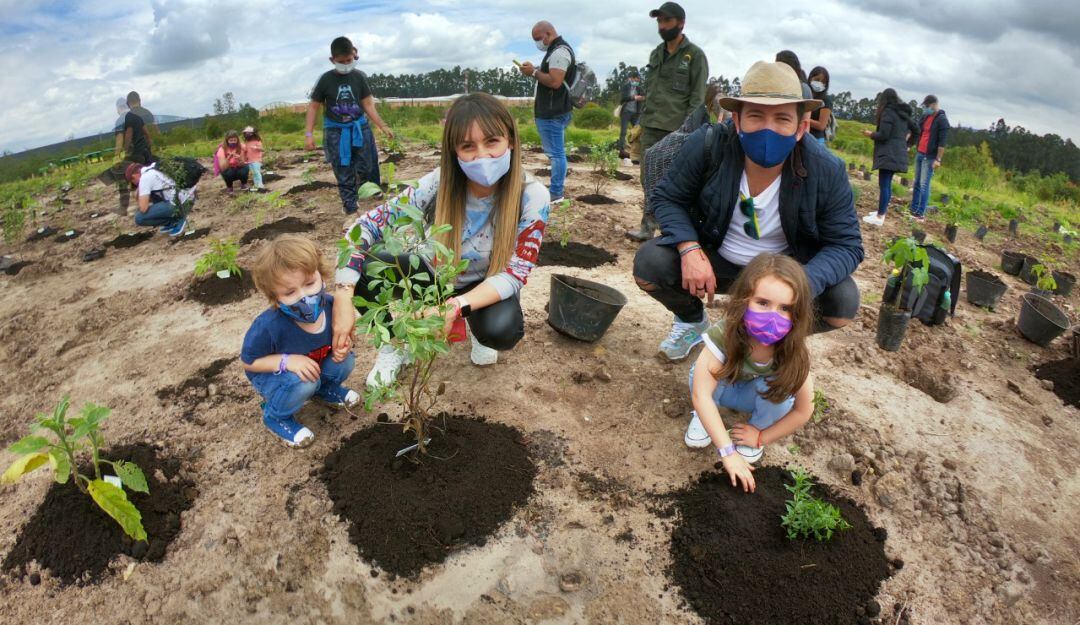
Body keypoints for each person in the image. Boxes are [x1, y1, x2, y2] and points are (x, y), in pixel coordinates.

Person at [632, 61, 863, 362]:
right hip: (717, 262)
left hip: (782, 271)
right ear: (738, 121)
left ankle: (762, 336)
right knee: (650, 264)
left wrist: (797, 284)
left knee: (841, 304)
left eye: (782, 118)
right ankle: (692, 321)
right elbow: (667, 198)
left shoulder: (826, 169)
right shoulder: (709, 144)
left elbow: (846, 245)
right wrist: (689, 248)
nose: (768, 129)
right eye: (756, 116)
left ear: (800, 127)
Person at [330, 92, 549, 388]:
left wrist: (456, 306)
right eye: (468, 146)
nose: (482, 156)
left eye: (492, 142)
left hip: (486, 281)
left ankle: (474, 321)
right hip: (436, 276)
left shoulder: (532, 196)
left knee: (501, 331)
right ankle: (393, 344)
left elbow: (515, 273)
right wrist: (343, 294)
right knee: (371, 268)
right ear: (454, 151)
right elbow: (366, 226)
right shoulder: (439, 182)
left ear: (510, 141)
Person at [685, 253, 816, 490]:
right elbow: (701, 394)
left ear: (798, 314)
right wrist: (727, 452)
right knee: (701, 373)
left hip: (752, 396)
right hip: (721, 389)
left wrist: (762, 437)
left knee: (783, 392)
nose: (772, 317)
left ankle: (756, 426)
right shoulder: (725, 333)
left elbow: (804, 409)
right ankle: (703, 419)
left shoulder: (793, 351)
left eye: (785, 308)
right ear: (744, 299)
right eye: (763, 303)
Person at [241, 235, 359, 448]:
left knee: (346, 359)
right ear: (275, 297)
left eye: (309, 283)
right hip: (276, 376)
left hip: (313, 367)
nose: (304, 296)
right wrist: (287, 361)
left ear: (321, 276)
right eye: (289, 292)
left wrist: (341, 347)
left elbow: (341, 340)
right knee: (303, 380)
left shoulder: (332, 307)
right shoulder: (269, 326)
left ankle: (324, 390)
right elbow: (249, 362)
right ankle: (276, 416)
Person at [626, 2, 709, 242]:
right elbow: (651, 89)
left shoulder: (694, 55)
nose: (662, 26)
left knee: (675, 182)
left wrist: (689, 131)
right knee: (647, 178)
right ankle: (647, 228)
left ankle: (673, 230)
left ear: (680, 23)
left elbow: (697, 97)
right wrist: (642, 121)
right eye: (659, 22)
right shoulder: (656, 53)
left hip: (677, 129)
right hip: (651, 125)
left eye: (667, 21)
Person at [305, 36, 395, 214]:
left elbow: (368, 104)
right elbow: (314, 107)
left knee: (368, 164)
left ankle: (371, 193)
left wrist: (382, 126)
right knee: (342, 168)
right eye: (341, 61)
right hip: (336, 131)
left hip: (359, 127)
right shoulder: (325, 80)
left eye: (349, 60)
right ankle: (350, 206)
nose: (346, 64)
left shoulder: (359, 77)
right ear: (332, 60)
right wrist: (309, 135)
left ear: (353, 56)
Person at [519, 21, 576, 203]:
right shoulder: (556, 51)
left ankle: (557, 192)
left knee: (557, 154)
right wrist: (535, 69)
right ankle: (556, 188)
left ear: (548, 33)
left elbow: (554, 81)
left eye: (538, 39)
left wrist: (534, 73)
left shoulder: (559, 52)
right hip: (554, 111)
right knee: (556, 153)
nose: (537, 43)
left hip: (553, 113)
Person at [862, 89, 918, 227]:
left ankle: (880, 216)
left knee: (885, 184)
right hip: (897, 153)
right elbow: (916, 129)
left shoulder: (888, 112)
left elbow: (884, 135)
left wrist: (871, 134)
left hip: (889, 153)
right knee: (885, 184)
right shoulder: (902, 114)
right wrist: (908, 144)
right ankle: (881, 212)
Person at [909, 95, 949, 222]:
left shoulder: (942, 120)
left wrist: (938, 159)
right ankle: (913, 209)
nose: (926, 109)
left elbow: (942, 143)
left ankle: (920, 214)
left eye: (928, 106)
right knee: (916, 183)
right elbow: (917, 129)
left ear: (934, 104)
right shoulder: (925, 117)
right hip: (920, 153)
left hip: (930, 156)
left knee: (924, 184)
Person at [124, 161, 191, 236]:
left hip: (179, 203)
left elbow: (143, 208)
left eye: (133, 181)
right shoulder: (153, 168)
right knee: (153, 196)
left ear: (134, 176)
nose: (135, 184)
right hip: (187, 197)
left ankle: (179, 219)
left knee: (139, 217)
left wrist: (139, 193)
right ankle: (173, 221)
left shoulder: (145, 178)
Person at [121, 91, 155, 166]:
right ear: (139, 101)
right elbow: (149, 134)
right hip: (147, 152)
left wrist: (125, 151)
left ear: (128, 104)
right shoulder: (147, 113)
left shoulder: (129, 116)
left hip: (137, 154)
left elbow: (129, 135)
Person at [618, 71, 644, 157]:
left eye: (638, 80)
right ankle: (621, 150)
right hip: (626, 112)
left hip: (635, 113)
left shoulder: (639, 88)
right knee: (623, 132)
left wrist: (642, 98)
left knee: (636, 132)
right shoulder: (626, 87)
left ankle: (635, 151)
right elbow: (623, 99)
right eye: (636, 79)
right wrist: (634, 97)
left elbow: (644, 96)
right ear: (632, 78)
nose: (637, 81)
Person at [807, 66, 833, 145]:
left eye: (823, 82)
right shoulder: (806, 96)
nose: (820, 83)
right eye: (817, 80)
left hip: (816, 140)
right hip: (803, 136)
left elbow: (821, 125)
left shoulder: (826, 100)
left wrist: (803, 119)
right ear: (811, 78)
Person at [242, 126, 265, 191]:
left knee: (257, 172)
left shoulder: (257, 141)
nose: (247, 135)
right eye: (246, 133)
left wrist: (256, 148)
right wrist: (244, 158)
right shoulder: (247, 142)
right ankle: (256, 185)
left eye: (249, 133)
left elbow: (262, 149)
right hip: (250, 160)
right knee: (254, 173)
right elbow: (245, 151)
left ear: (253, 134)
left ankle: (260, 185)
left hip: (257, 160)